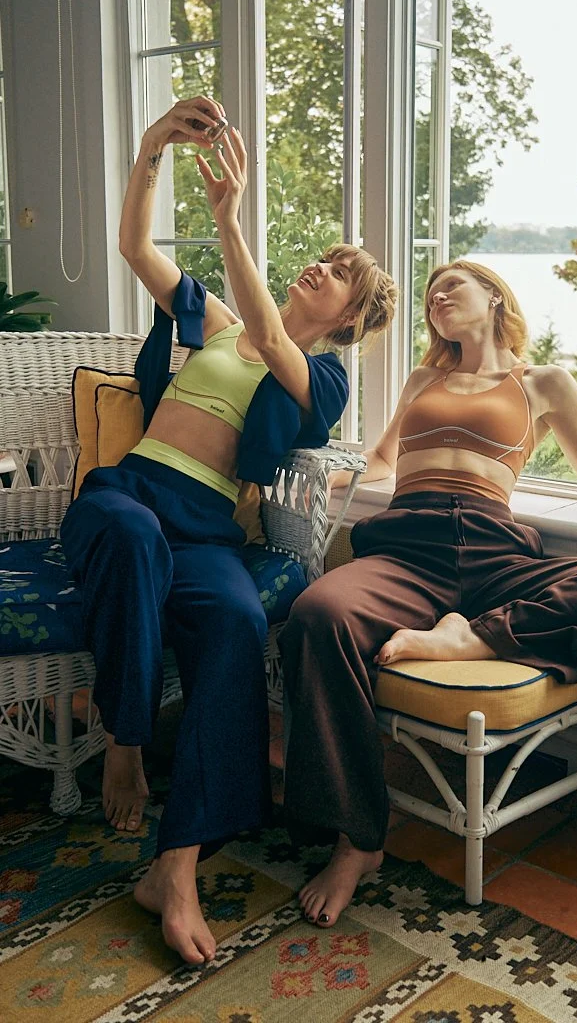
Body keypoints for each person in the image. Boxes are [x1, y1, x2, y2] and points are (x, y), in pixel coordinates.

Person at [60, 95, 398, 965]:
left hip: (208, 530)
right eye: (322, 258)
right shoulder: (216, 323)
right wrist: (149, 149)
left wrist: (229, 221)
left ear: (351, 324)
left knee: (241, 625)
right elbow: (138, 249)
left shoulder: (319, 383)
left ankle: (174, 870)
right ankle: (126, 745)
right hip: (128, 497)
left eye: (339, 274)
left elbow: (281, 345)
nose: (320, 268)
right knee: (133, 541)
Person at [279, 259, 577, 928]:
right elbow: (379, 462)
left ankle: (473, 634)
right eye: (430, 293)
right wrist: (313, 476)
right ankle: (358, 839)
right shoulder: (423, 378)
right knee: (315, 614)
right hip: (410, 551)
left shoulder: (543, 382)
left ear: (494, 297)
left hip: (497, 554)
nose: (438, 296)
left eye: (454, 284)